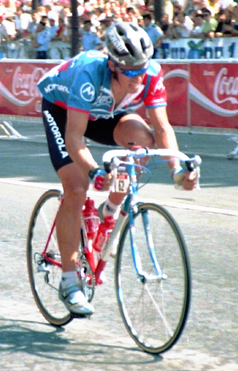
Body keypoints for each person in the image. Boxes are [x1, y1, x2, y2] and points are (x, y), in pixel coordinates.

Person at [36, 21, 199, 316]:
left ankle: (109, 210)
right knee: (76, 187)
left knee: (143, 141)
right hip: (63, 110)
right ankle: (70, 282)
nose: (138, 77)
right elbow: (74, 137)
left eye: (142, 68)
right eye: (130, 71)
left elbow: (162, 127)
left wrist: (177, 171)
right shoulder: (89, 73)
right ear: (112, 65)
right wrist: (95, 171)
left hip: (105, 111)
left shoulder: (149, 73)